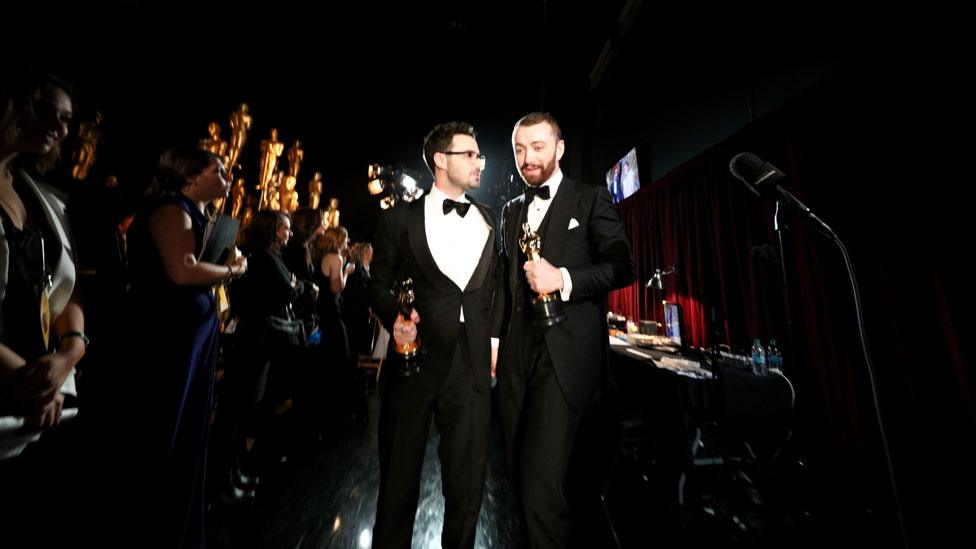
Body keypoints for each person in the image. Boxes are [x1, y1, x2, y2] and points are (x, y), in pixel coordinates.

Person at [498, 112, 634, 547]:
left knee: (541, 487)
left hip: (566, 360)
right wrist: (495, 342)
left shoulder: (590, 199)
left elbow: (621, 265)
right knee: (518, 477)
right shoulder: (511, 211)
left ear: (559, 149)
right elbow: (505, 285)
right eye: (520, 149)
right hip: (516, 361)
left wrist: (565, 280)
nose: (527, 157)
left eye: (538, 146)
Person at [367, 121, 501, 549]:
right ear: (440, 160)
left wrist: (495, 339)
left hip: (472, 368)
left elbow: (495, 290)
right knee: (398, 485)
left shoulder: (488, 218)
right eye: (470, 154)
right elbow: (377, 285)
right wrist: (395, 318)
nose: (479, 161)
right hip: (414, 364)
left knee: (466, 490)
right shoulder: (398, 219)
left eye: (479, 154)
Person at [120, 146, 246, 547]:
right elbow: (182, 269)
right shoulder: (171, 209)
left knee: (187, 433)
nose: (227, 176)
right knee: (163, 434)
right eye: (219, 169)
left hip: (190, 338)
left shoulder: (197, 214)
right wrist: (230, 270)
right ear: (191, 176)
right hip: (165, 339)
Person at [0, 72, 87, 540]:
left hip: (40, 400)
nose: (58, 125)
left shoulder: (45, 197)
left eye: (67, 118)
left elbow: (64, 290)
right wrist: (25, 379)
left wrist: (70, 352)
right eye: (43, 108)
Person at [341, 242, 375, 357]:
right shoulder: (357, 269)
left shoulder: (367, 268)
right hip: (355, 310)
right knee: (355, 339)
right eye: (370, 250)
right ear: (364, 253)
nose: (372, 252)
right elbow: (357, 291)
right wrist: (367, 306)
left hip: (362, 309)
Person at [71, 111, 101, 180]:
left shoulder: (99, 130)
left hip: (92, 149)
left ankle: (80, 178)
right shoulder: (86, 125)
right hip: (84, 146)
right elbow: (81, 135)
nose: (99, 119)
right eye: (98, 117)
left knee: (86, 164)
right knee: (80, 161)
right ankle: (74, 177)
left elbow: (99, 141)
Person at [227, 102, 251, 171]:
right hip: (242, 133)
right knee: (237, 147)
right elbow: (248, 127)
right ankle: (233, 161)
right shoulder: (248, 117)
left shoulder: (233, 114)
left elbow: (231, 124)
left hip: (234, 131)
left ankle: (231, 160)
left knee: (232, 146)